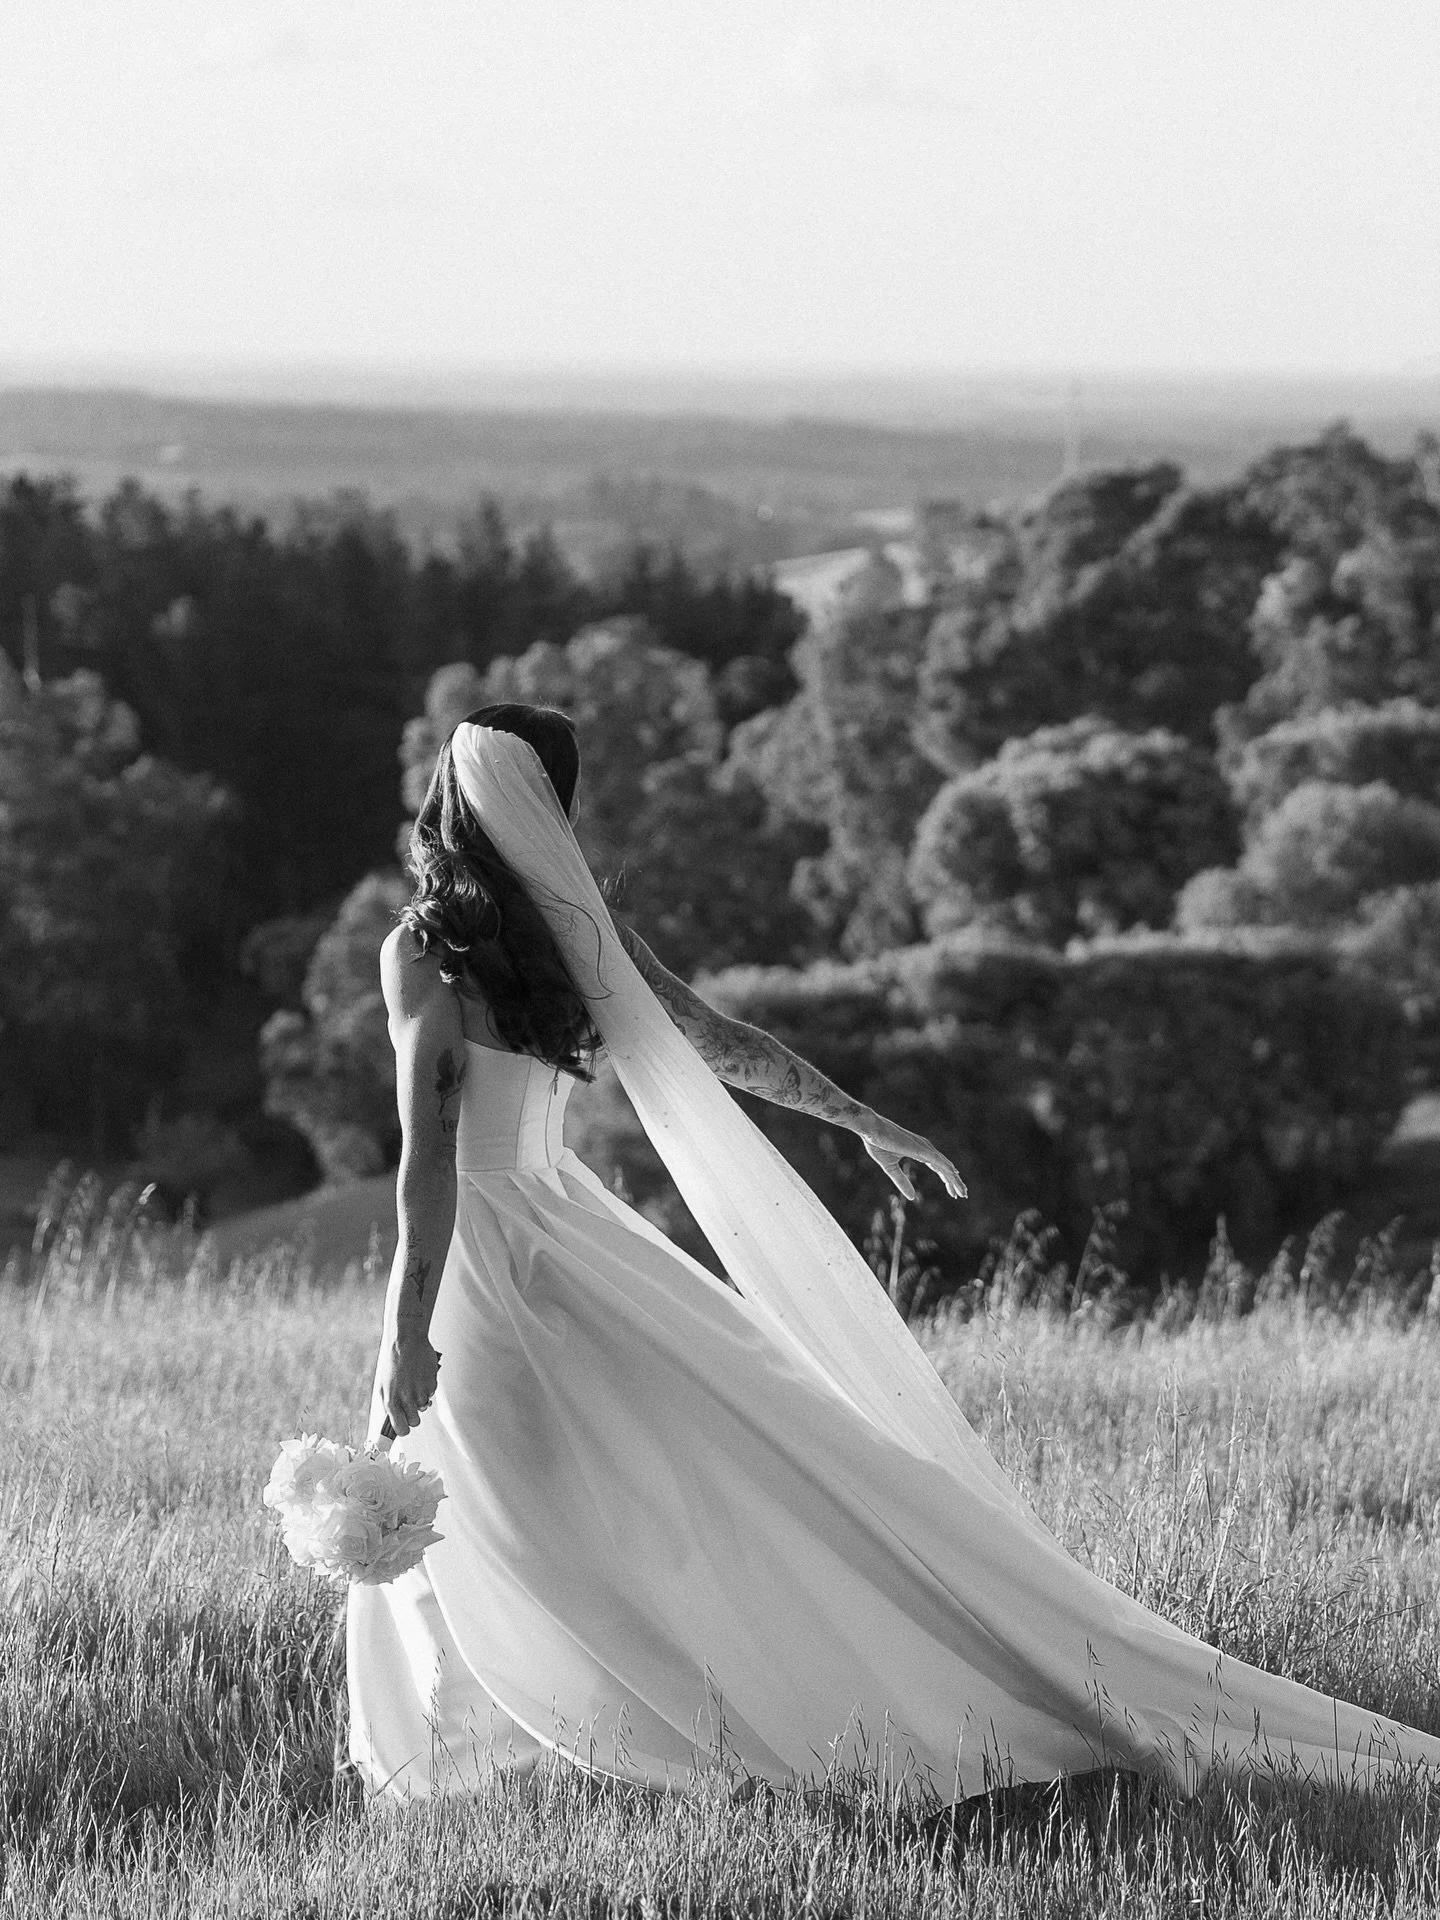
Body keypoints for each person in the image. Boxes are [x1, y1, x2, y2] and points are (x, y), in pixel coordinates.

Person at [347, 703, 1440, 1804]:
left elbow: (428, 1158)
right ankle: (541, 1739)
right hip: (572, 1238)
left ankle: (545, 1743)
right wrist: (859, 1116)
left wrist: (404, 1328)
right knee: (593, 1489)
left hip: (488, 1256)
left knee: (496, 1493)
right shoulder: (576, 941)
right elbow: (720, 1045)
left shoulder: (424, 954)